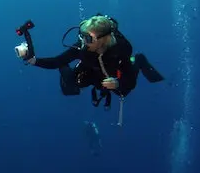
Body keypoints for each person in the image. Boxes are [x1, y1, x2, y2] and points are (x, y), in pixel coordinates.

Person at [21, 14, 163, 123]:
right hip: (92, 68)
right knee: (69, 89)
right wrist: (34, 61)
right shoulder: (82, 48)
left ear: (103, 39)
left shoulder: (122, 49)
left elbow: (131, 81)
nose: (83, 41)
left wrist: (119, 83)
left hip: (113, 71)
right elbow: (57, 60)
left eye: (88, 38)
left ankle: (138, 60)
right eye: (82, 36)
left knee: (123, 92)